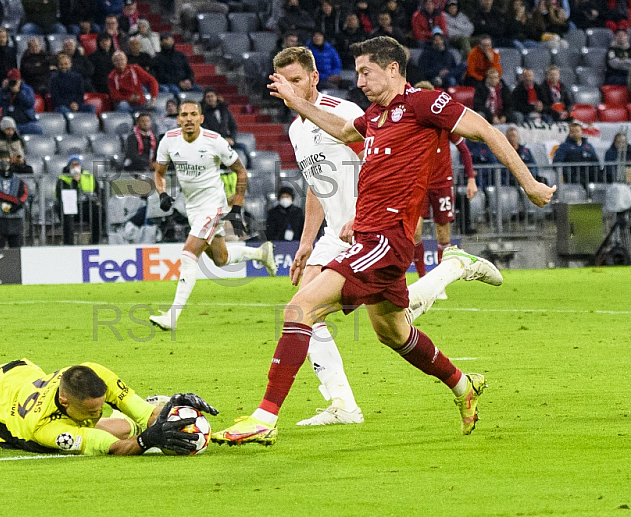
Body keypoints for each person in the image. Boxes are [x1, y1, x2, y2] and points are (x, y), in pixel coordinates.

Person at [213, 36, 555, 446]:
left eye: (366, 72)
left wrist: (530, 183)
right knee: (393, 333)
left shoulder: (425, 104)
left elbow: (485, 130)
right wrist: (296, 102)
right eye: (357, 72)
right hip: (372, 238)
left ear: (392, 68)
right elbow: (341, 130)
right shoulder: (375, 115)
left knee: (300, 308)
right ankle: (464, 385)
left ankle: (264, 417)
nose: (359, 81)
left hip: (383, 237)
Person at [0, 359, 217, 456]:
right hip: (10, 413)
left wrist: (167, 413)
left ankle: (145, 418)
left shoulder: (92, 373)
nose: (98, 412)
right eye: (93, 410)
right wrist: (147, 440)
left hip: (32, 376)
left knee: (133, 420)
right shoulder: (49, 429)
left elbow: (135, 406)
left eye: (100, 407)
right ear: (67, 401)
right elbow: (113, 449)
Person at [148, 100, 278, 331]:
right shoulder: (168, 140)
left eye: (193, 114)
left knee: (189, 254)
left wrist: (236, 206)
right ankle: (260, 252)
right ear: (178, 119)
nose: (188, 119)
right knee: (220, 259)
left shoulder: (214, 141)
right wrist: (162, 194)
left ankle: (172, 316)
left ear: (201, 118)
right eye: (184, 114)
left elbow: (240, 171)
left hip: (213, 206)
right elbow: (159, 173)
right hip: (193, 208)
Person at [411, 80, 477, 286]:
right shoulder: (413, 124)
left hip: (442, 183)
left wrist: (471, 179)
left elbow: (464, 150)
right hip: (419, 184)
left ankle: (438, 283)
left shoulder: (445, 123)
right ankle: (423, 280)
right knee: (415, 232)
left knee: (443, 233)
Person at [0, 150, 28, 248]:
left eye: (6, 159)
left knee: (16, 251)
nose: (4, 161)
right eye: (1, 159)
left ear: (10, 160)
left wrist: (18, 204)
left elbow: (24, 193)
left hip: (15, 219)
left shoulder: (18, 178)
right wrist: (15, 201)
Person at [56, 155, 102, 245]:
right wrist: (75, 181)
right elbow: (62, 196)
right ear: (68, 167)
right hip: (69, 207)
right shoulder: (63, 179)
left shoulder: (89, 177)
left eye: (77, 164)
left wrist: (98, 201)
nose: (75, 167)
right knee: (66, 215)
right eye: (72, 165)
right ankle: (68, 243)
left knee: (98, 212)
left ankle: (96, 242)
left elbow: (98, 192)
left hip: (85, 206)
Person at [201, 88, 250, 164]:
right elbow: (206, 131)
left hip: (228, 141)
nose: (210, 99)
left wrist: (232, 139)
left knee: (243, 148)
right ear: (205, 99)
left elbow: (233, 126)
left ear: (216, 97)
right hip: (214, 144)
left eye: (212, 96)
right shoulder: (203, 114)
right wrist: (222, 140)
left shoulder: (224, 110)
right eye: (208, 97)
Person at [0, 69, 43, 135]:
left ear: (20, 80)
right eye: (11, 80)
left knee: (37, 130)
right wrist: (2, 90)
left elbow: (30, 103)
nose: (13, 83)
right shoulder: (5, 91)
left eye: (15, 80)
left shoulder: (27, 89)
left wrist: (19, 92)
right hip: (10, 125)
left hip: (27, 123)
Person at [552, 121, 600, 187]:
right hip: (574, 175)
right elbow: (557, 162)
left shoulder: (588, 146)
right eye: (572, 131)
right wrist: (569, 172)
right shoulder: (564, 146)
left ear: (581, 132)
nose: (575, 133)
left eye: (577, 131)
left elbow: (595, 161)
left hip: (589, 173)